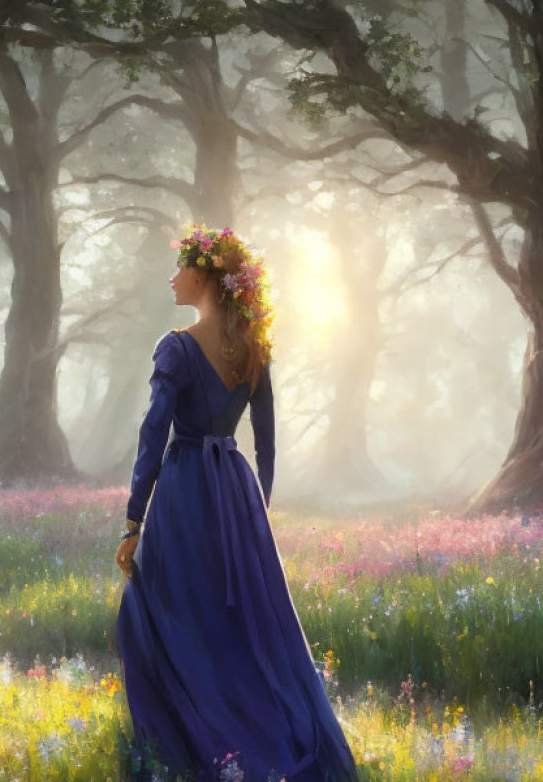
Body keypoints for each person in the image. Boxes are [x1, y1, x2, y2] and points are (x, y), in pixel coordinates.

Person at [114, 225, 359, 782]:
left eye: (180, 267)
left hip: (183, 490)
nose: (172, 276)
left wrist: (134, 519)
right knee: (238, 623)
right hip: (234, 490)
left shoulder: (175, 347)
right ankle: (247, 734)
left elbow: (154, 436)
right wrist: (255, 508)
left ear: (203, 276)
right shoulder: (254, 348)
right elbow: (266, 440)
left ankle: (187, 741)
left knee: (162, 611)